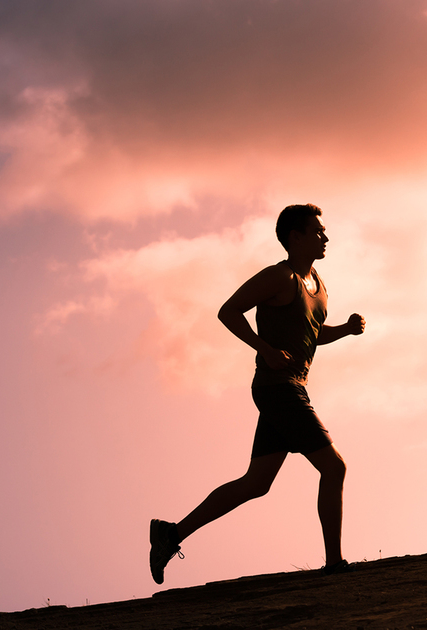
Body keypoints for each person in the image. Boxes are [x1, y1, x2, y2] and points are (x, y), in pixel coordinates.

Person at [149, 203, 365, 584]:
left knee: (256, 483)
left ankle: (171, 534)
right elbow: (228, 311)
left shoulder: (318, 283)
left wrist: (344, 330)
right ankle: (334, 564)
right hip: (278, 389)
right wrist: (264, 348)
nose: (326, 237)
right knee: (334, 467)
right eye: (318, 231)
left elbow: (313, 334)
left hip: (290, 387)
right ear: (294, 237)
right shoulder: (278, 277)